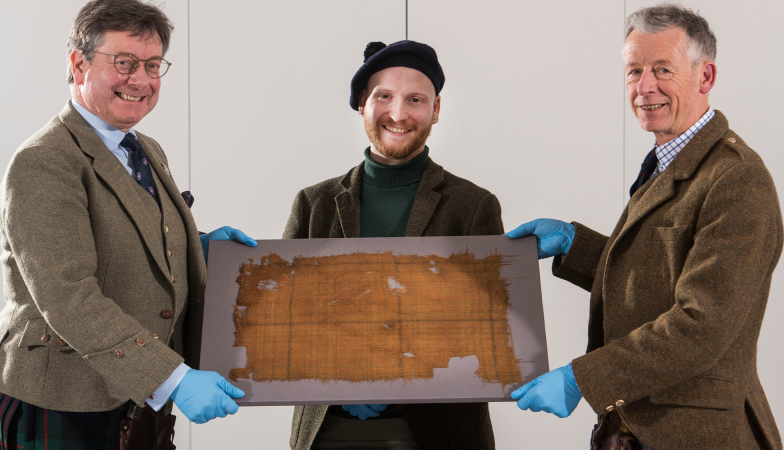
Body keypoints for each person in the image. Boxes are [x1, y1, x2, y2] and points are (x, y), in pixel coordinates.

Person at [507, 4, 782, 449]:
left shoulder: (735, 178)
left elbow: (701, 325)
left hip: (701, 436)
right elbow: (660, 276)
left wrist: (583, 378)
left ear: (705, 78)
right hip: (634, 430)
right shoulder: (668, 160)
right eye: (634, 71)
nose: (644, 87)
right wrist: (575, 246)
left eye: (662, 70)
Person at [0, 0, 255, 448]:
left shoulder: (145, 148)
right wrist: (173, 378)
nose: (141, 80)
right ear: (78, 64)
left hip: (132, 397)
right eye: (124, 63)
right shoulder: (44, 162)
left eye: (152, 65)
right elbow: (69, 296)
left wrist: (197, 248)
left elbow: (124, 234)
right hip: (60, 401)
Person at [284, 40, 503, 450]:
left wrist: (396, 376)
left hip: (436, 431)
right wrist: (344, 378)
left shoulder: (473, 207)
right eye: (384, 96)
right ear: (363, 102)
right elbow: (287, 324)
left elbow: (486, 333)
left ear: (435, 109)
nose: (398, 114)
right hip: (329, 429)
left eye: (415, 99)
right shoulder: (313, 204)